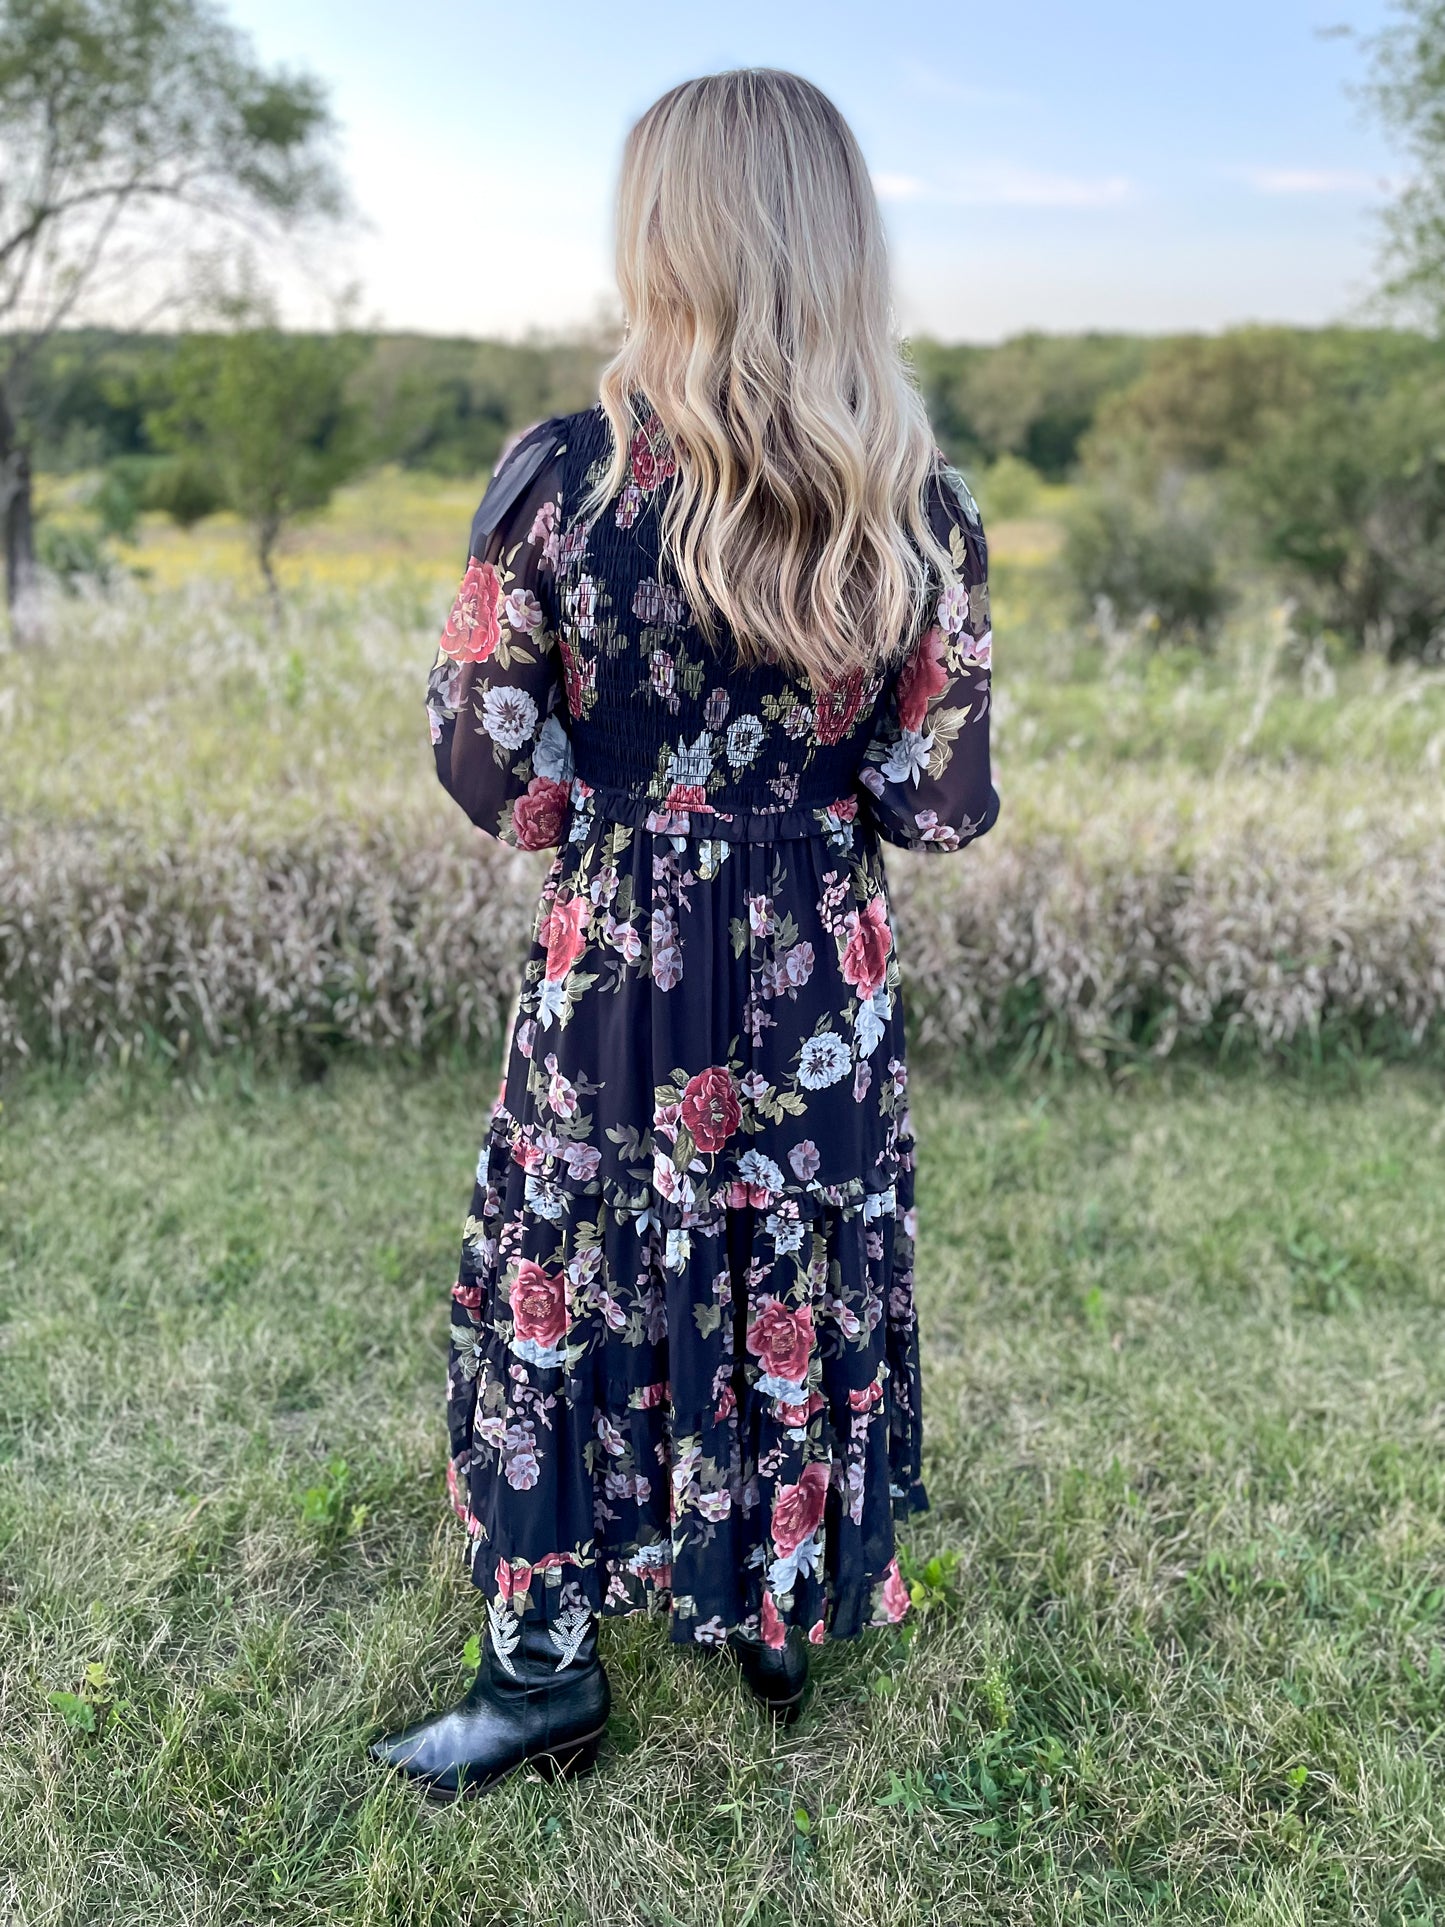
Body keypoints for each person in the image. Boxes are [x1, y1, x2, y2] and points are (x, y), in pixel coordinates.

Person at [370, 66, 999, 1801]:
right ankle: (771, 1611)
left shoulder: (560, 481)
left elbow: (491, 761)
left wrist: (623, 817)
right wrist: (803, 807)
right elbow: (937, 805)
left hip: (617, 968)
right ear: (836, 242)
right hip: (816, 977)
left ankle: (543, 1677)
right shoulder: (916, 503)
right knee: (788, 1258)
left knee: (573, 1269)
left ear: (662, 235)